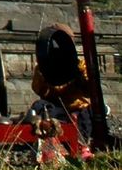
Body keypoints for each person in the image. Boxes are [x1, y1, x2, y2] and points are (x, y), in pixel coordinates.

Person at [30, 23, 93, 159]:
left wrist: (79, 74)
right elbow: (39, 90)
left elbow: (89, 90)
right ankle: (51, 144)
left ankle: (82, 144)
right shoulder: (43, 67)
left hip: (77, 106)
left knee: (83, 113)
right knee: (39, 106)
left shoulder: (80, 64)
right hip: (56, 108)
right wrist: (44, 73)